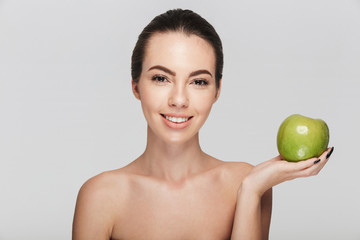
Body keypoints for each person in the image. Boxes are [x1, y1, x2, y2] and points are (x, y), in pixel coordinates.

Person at [72, 9, 334, 240]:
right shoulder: (100, 196)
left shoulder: (248, 182)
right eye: (161, 78)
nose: (179, 100)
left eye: (198, 81)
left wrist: (251, 191)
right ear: (136, 85)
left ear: (217, 90)